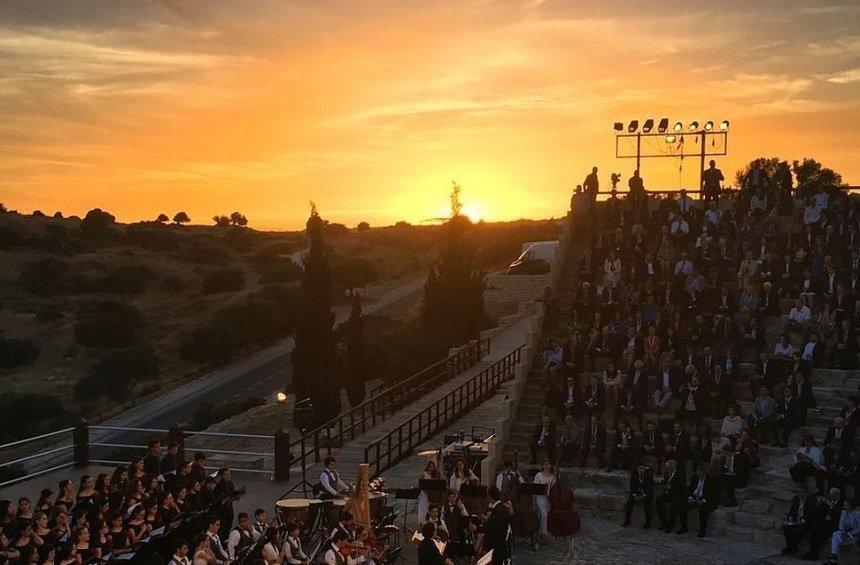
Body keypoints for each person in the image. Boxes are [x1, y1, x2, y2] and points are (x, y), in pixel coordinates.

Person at [679, 465, 716, 537]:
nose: (698, 475)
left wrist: (703, 500)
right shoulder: (694, 478)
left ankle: (702, 530)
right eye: (697, 473)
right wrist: (690, 498)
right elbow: (690, 490)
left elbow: (711, 493)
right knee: (682, 505)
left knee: (703, 509)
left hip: (704, 499)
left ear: (703, 473)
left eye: (700, 473)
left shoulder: (710, 480)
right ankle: (684, 527)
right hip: (695, 498)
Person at [825, 499, 860, 565]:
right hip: (845, 532)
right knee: (835, 533)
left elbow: (859, 528)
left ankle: (833, 560)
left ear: (851, 506)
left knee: (836, 538)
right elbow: (841, 524)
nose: (843, 506)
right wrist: (843, 532)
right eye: (843, 505)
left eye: (845, 505)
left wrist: (849, 533)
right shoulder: (843, 512)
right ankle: (834, 556)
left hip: (854, 533)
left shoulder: (857, 514)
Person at [656, 460, 685, 533]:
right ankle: (663, 522)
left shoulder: (679, 474)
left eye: (668, 467)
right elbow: (665, 482)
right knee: (658, 501)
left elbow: (681, 485)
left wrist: (671, 486)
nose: (667, 469)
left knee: (674, 506)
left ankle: (671, 525)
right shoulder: (666, 473)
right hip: (667, 493)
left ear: (673, 466)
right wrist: (664, 485)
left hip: (676, 493)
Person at [623, 461, 654, 529]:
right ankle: (627, 520)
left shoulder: (649, 474)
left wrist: (642, 495)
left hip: (646, 493)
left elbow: (649, 487)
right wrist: (634, 495)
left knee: (647, 505)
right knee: (629, 503)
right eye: (639, 468)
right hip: (637, 493)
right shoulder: (634, 474)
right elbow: (632, 486)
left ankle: (648, 522)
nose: (641, 470)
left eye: (642, 468)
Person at [532, 460, 555, 543]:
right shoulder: (538, 475)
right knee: (543, 514)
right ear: (542, 466)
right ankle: (544, 534)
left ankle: (546, 531)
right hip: (540, 498)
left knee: (547, 514)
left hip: (549, 499)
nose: (547, 466)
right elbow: (535, 488)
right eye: (545, 465)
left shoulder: (553, 477)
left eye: (548, 464)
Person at [417, 460, 442, 529]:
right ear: (427, 467)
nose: (431, 468)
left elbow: (440, 483)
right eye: (430, 466)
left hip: (434, 494)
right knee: (424, 508)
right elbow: (420, 484)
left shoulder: (436, 474)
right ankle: (423, 524)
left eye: (433, 466)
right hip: (425, 494)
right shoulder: (424, 474)